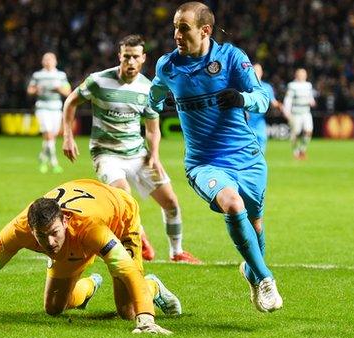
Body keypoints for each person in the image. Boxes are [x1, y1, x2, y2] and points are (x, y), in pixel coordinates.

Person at [148, 2, 283, 312]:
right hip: (203, 162)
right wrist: (152, 106)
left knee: (256, 225)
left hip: (246, 158)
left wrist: (241, 98)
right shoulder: (168, 65)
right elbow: (155, 92)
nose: (176, 34)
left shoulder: (232, 58)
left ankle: (251, 271)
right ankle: (265, 279)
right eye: (175, 27)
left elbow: (263, 97)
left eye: (184, 28)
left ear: (205, 30)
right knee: (232, 204)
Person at [0, 179, 181, 334]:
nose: (49, 243)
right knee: (53, 308)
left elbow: (127, 269)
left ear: (65, 221)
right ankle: (89, 286)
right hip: (78, 230)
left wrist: (147, 319)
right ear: (31, 230)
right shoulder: (19, 229)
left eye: (53, 234)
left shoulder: (91, 229)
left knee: (128, 311)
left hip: (121, 214)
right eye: (41, 236)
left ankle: (153, 286)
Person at [61, 35, 202, 265]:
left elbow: (153, 129)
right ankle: (140, 237)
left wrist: (154, 155)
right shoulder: (98, 81)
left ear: (143, 58)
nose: (131, 61)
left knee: (171, 203)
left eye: (136, 57)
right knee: (124, 195)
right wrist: (68, 136)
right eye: (127, 56)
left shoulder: (148, 89)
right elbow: (71, 102)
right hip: (106, 154)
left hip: (138, 154)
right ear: (120, 56)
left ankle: (177, 252)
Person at [27, 52, 71, 173]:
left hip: (56, 108)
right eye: (46, 59)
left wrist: (59, 89)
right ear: (42, 62)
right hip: (42, 107)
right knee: (49, 135)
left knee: (52, 136)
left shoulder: (61, 75)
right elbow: (30, 90)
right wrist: (36, 90)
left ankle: (42, 157)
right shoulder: (38, 75)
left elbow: (68, 91)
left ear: (55, 61)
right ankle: (54, 162)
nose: (48, 62)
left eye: (50, 59)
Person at [283, 68, 316, 160]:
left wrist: (312, 101)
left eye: (304, 74)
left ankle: (302, 149)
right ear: (296, 75)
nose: (303, 76)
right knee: (295, 133)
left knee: (309, 131)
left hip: (306, 112)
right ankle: (296, 152)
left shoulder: (308, 85)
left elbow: (310, 97)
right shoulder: (292, 85)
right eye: (301, 74)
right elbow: (288, 99)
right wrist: (287, 112)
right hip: (295, 113)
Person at [248, 64, 282, 153]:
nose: (256, 73)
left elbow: (273, 102)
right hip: (247, 121)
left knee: (262, 140)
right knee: (248, 146)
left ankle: (259, 163)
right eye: (254, 70)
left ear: (262, 73)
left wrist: (281, 106)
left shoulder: (267, 87)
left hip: (259, 121)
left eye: (258, 71)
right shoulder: (244, 85)